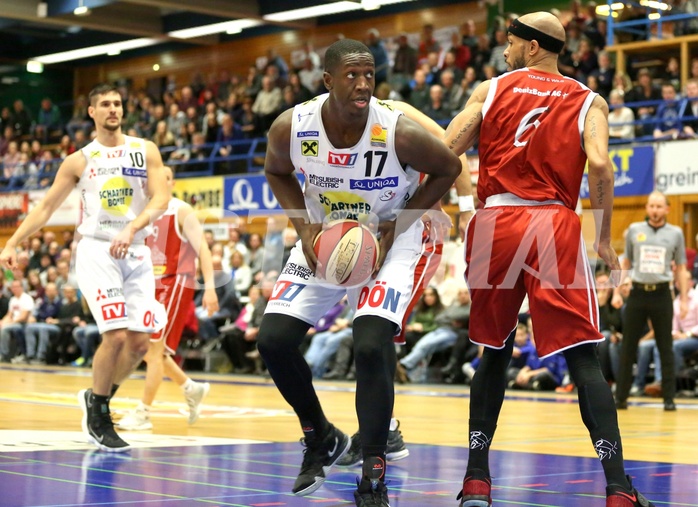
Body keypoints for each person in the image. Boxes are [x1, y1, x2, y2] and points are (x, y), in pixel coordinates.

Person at [443, 12, 656, 507]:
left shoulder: (490, 89)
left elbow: (446, 150)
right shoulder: (589, 100)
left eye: (513, 42)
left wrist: (453, 205)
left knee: (493, 351)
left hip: (495, 224)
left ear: (534, 47)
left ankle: (477, 479)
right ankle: (619, 487)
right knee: (583, 356)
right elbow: (600, 164)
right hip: (553, 224)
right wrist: (603, 238)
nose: (506, 49)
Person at [256, 38, 461, 507]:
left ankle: (373, 468)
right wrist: (304, 228)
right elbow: (276, 170)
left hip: (393, 238)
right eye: (352, 75)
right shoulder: (294, 125)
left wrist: (400, 224)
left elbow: (449, 166)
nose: (363, 83)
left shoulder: (397, 131)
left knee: (369, 344)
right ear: (327, 80)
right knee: (272, 340)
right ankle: (321, 437)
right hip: (329, 237)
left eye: (369, 74)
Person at [0, 83, 169, 452]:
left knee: (140, 344)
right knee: (117, 336)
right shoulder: (79, 160)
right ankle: (100, 414)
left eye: (118, 103)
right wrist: (12, 242)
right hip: (97, 250)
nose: (113, 109)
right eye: (105, 104)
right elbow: (45, 208)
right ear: (91, 112)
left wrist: (134, 226)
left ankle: (97, 396)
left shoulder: (145, 150)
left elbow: (161, 197)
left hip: (137, 249)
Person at [117, 166, 219, 431]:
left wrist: (210, 288)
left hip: (175, 283)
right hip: (149, 284)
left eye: (166, 178)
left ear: (172, 183)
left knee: (153, 349)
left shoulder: (181, 210)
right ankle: (191, 388)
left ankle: (143, 413)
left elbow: (203, 250)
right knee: (149, 350)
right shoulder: (143, 212)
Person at [613, 191, 688, 412]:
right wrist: (617, 292)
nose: (655, 210)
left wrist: (684, 299)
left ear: (666, 209)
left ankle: (669, 398)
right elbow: (626, 263)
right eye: (651, 206)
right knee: (628, 346)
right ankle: (621, 397)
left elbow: (681, 268)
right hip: (637, 293)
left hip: (662, 294)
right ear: (647, 208)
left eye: (659, 206)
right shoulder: (635, 231)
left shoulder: (675, 234)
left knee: (665, 347)